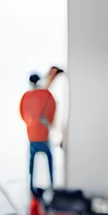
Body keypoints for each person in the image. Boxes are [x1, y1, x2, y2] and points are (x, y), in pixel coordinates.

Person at [20, 66, 63, 194]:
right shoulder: (46, 94)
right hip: (42, 135)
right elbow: (52, 108)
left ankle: (33, 187)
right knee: (47, 159)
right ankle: (50, 186)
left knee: (32, 163)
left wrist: (31, 122)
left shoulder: (27, 96)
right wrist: (46, 122)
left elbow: (22, 113)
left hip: (32, 135)